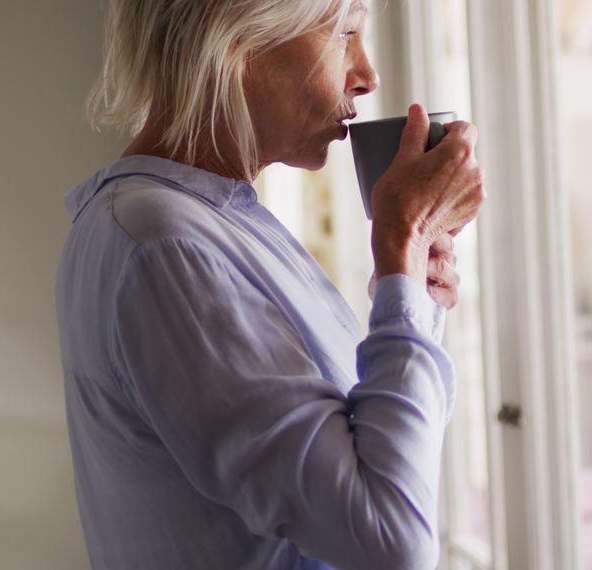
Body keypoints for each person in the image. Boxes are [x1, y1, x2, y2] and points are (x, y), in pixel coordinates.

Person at [54, 0, 484, 567]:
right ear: (235, 37)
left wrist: (409, 293)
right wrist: (404, 236)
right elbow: (390, 540)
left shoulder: (199, 225)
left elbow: (380, 461)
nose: (368, 75)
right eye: (345, 32)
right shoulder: (167, 247)